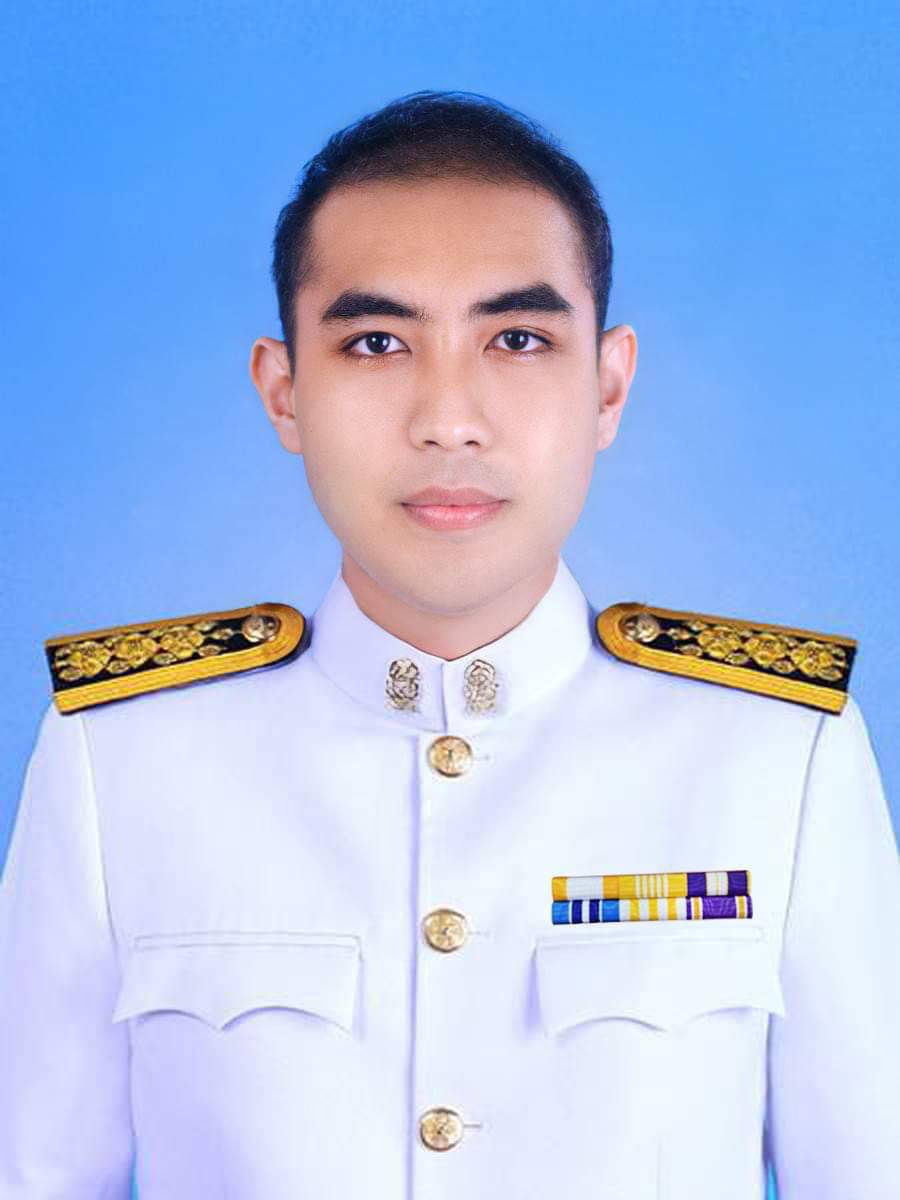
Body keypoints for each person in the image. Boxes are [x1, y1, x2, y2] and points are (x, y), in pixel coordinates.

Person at [1, 89, 897, 1200]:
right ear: (284, 392)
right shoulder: (119, 760)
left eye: (517, 339)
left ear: (608, 384)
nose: (449, 420)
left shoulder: (775, 755)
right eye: (376, 343)